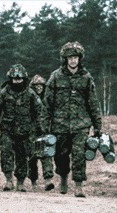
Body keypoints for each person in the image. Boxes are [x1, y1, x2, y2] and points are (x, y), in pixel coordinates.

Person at [41, 41, 102, 197]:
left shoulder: (86, 77)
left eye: (75, 57)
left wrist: (97, 125)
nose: (73, 60)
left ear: (80, 58)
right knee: (60, 155)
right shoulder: (55, 76)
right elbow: (47, 102)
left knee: (78, 155)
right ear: (65, 59)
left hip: (81, 124)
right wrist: (45, 124)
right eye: (70, 58)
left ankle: (79, 186)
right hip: (59, 124)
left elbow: (92, 103)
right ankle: (63, 178)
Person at [0, 64, 45, 192]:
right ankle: (8, 180)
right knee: (6, 153)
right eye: (15, 79)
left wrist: (39, 128)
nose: (17, 81)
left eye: (19, 79)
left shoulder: (30, 93)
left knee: (22, 156)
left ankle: (20, 182)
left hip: (25, 131)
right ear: (10, 79)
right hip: (7, 129)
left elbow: (39, 112)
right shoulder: (4, 92)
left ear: (24, 79)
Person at [29, 75, 55, 191]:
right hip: (31, 131)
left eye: (41, 85)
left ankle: (48, 180)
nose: (39, 88)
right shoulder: (29, 97)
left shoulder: (48, 98)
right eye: (36, 86)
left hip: (45, 130)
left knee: (47, 155)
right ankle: (33, 181)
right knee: (32, 157)